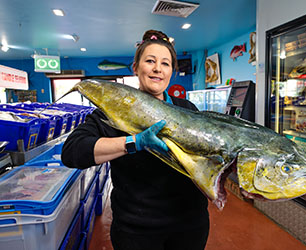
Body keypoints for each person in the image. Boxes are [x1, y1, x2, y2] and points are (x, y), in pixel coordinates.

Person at [61, 30, 209, 250]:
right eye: (150, 61)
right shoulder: (113, 110)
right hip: (137, 230)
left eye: (165, 63)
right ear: (136, 67)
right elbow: (72, 152)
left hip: (189, 224)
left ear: (172, 71)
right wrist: (134, 142)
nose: (158, 68)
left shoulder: (187, 109)